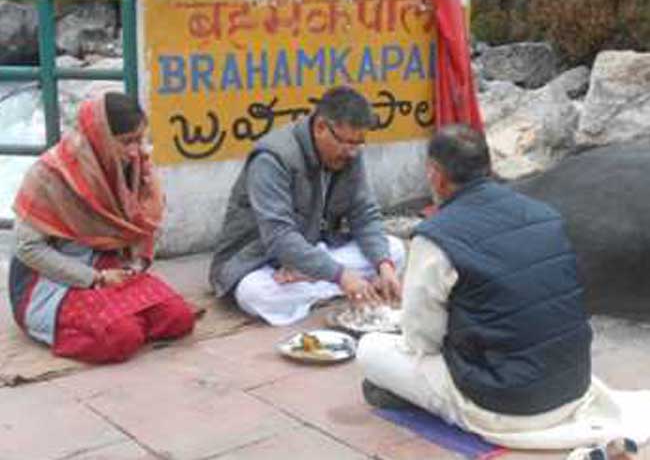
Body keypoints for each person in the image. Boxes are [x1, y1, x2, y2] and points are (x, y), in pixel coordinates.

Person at [357, 124, 650, 455]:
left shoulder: (435, 236)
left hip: (504, 406)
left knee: (370, 349)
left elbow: (421, 340)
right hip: (572, 386)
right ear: (489, 166)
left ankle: (434, 403)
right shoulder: (544, 215)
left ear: (435, 175)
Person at [8, 92, 195, 364]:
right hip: (53, 279)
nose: (137, 151)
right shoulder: (50, 175)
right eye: (127, 142)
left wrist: (134, 265)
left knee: (178, 318)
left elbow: (143, 228)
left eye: (140, 139)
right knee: (121, 337)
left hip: (113, 267)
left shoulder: (135, 167)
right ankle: (110, 320)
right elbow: (28, 248)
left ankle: (117, 314)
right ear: (100, 138)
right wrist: (94, 278)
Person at [209, 86, 405, 326]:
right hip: (260, 260)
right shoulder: (272, 158)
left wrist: (384, 265)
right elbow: (279, 237)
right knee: (256, 294)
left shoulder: (350, 153)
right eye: (347, 143)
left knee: (394, 251)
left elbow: (364, 214)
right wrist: (340, 274)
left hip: (314, 251)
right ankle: (342, 284)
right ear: (321, 127)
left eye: (359, 143)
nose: (353, 152)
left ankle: (318, 283)